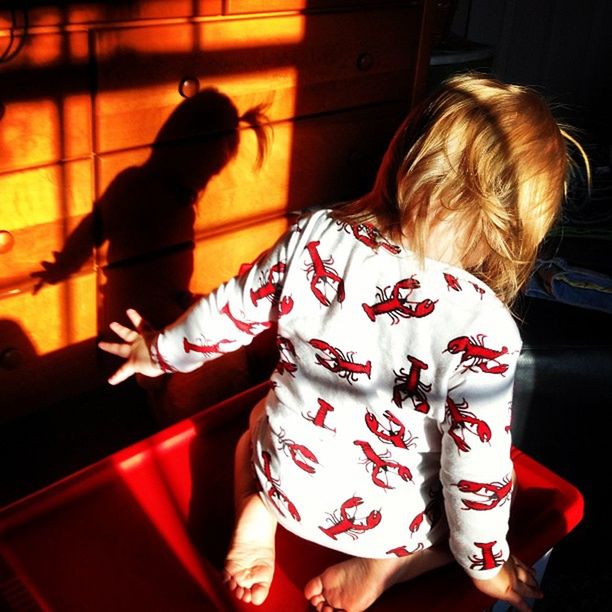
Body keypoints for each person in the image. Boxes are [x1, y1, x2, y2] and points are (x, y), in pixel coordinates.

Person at [99, 74, 577, 612]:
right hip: (392, 522)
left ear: (403, 156)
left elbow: (229, 310)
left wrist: (157, 351)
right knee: (481, 508)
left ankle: (257, 508)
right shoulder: (487, 329)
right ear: (511, 227)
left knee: (254, 425)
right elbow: (475, 473)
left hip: (287, 480)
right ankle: (387, 567)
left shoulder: (316, 233)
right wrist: (487, 567)